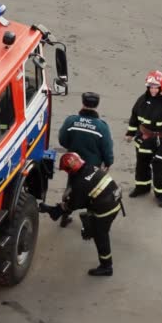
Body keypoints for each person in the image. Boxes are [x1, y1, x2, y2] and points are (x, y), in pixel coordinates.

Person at [39, 153, 122, 276]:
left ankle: (106, 266)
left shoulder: (80, 183)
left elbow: (73, 205)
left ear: (69, 170)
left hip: (106, 209)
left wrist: (56, 209)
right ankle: (91, 230)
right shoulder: (91, 167)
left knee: (101, 237)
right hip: (115, 199)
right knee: (93, 222)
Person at [57, 92, 114, 227]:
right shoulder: (101, 126)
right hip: (92, 167)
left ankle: (65, 217)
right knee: (92, 193)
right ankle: (88, 225)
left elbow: (62, 140)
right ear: (97, 105)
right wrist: (108, 162)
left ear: (83, 103)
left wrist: (72, 149)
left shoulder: (71, 121)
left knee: (71, 189)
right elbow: (107, 147)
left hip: (73, 165)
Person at [125, 70, 162, 207]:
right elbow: (134, 117)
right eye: (150, 87)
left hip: (159, 142)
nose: (153, 89)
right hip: (143, 139)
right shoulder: (142, 101)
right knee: (141, 165)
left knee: (160, 168)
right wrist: (130, 133)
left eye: (155, 87)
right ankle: (142, 188)